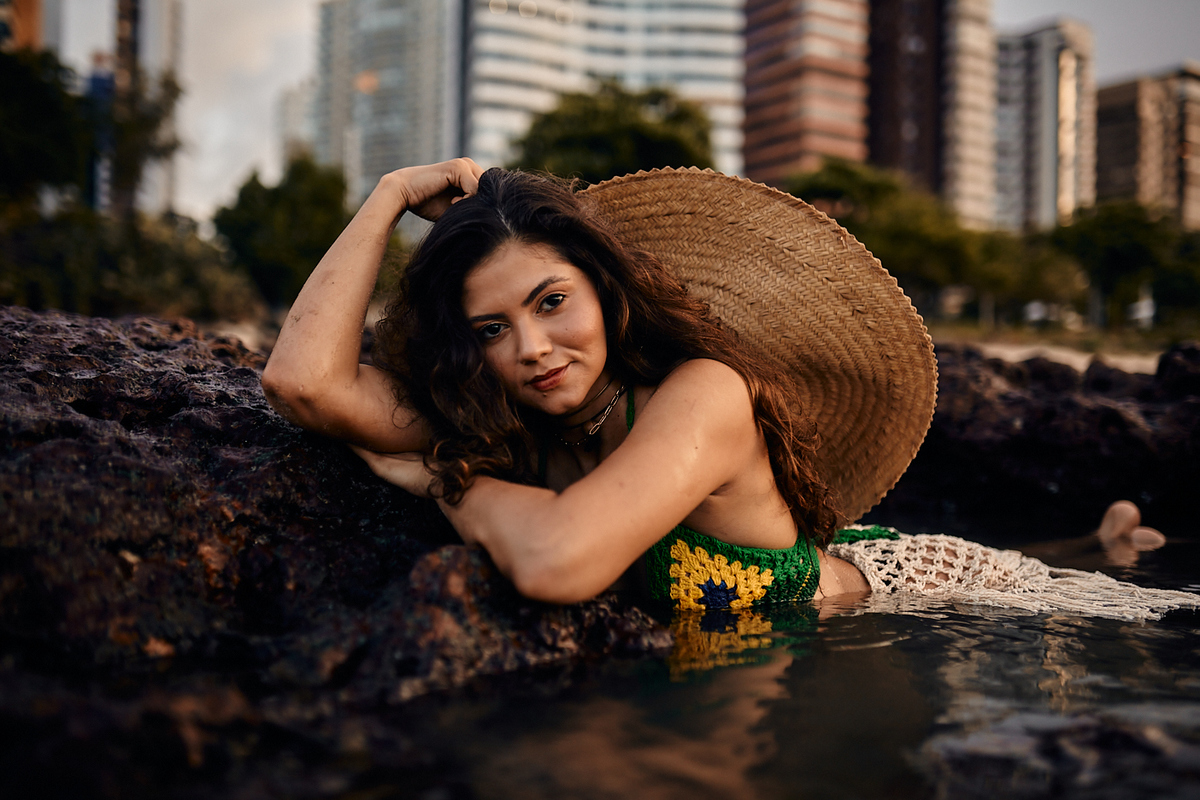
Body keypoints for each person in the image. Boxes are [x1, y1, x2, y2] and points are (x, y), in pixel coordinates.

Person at [263, 159, 1196, 621]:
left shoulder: (705, 393)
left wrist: (448, 482)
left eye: (553, 302)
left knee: (1122, 605)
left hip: (915, 592)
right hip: (841, 566)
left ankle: (1098, 549)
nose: (535, 348)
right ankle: (1099, 536)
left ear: (604, 291)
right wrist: (385, 198)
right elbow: (302, 382)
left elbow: (557, 562)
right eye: (492, 329)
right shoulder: (502, 412)